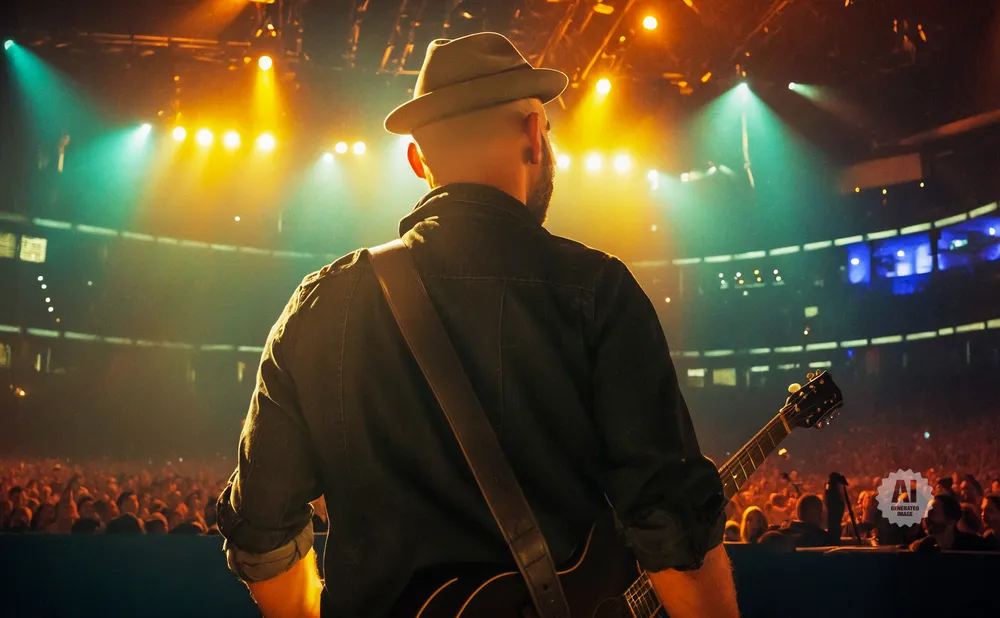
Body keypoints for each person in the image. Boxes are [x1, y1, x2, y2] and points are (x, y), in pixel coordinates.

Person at [216, 31, 737, 618]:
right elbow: (673, 533)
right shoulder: (600, 294)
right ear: (535, 135)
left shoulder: (320, 306)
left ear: (418, 160)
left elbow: (261, 534)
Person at [909, 494, 992, 552]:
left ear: (951, 521)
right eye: (926, 512)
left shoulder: (975, 546)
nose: (926, 517)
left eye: (932, 512)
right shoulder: (924, 546)